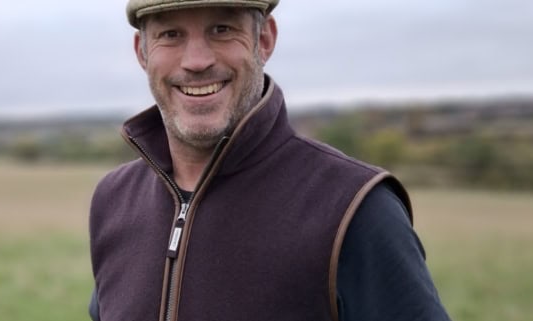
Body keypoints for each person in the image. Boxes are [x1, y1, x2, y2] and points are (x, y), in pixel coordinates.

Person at [88, 1, 452, 320]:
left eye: (222, 29)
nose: (196, 61)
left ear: (265, 40)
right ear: (142, 52)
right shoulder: (113, 202)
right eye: (170, 34)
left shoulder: (354, 209)